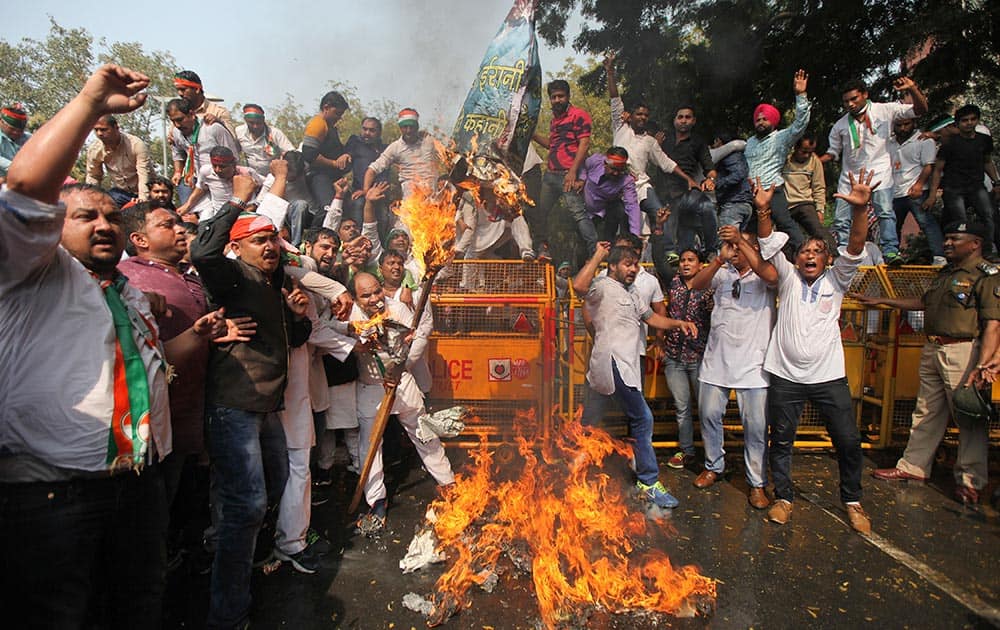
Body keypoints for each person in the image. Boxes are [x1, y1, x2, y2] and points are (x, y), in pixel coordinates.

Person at [0, 64, 227, 629]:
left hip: (140, 479)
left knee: (138, 607)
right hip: (56, 495)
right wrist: (89, 100)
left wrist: (193, 337)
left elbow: (153, 369)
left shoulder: (124, 293)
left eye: (110, 216)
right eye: (84, 216)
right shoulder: (34, 272)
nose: (103, 225)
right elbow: (26, 188)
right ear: (52, 228)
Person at [189, 173, 313, 628]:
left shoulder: (269, 285)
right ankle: (228, 612)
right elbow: (202, 251)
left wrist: (298, 317)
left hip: (265, 409)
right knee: (248, 503)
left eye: (274, 240)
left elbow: (291, 340)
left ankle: (232, 550)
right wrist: (238, 201)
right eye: (259, 240)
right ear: (238, 247)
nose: (270, 247)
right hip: (233, 408)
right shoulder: (234, 278)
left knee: (273, 482)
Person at [756, 169, 879, 535]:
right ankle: (784, 497)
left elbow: (856, 246)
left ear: (827, 261)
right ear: (797, 259)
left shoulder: (837, 280)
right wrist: (763, 210)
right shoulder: (789, 276)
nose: (810, 255)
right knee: (781, 440)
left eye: (817, 251)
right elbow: (765, 241)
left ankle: (853, 501)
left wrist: (860, 209)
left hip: (828, 378)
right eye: (805, 251)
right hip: (786, 378)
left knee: (848, 440)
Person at [866, 223, 1000, 504]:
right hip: (934, 347)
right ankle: (913, 466)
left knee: (968, 415)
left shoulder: (987, 275)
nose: (948, 242)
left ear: (975, 243)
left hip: (964, 351)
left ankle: (970, 480)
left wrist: (983, 364)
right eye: (948, 237)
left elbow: (993, 325)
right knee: (926, 410)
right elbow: (924, 303)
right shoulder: (946, 274)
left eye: (955, 238)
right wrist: (883, 300)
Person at [572, 242, 697, 509]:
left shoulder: (632, 292)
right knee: (643, 418)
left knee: (589, 421)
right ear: (613, 266)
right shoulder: (602, 285)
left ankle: (575, 470)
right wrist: (597, 255)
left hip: (615, 367)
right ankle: (649, 481)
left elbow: (652, 318)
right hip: (613, 364)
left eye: (635, 264)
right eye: (627, 264)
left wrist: (679, 323)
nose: (633, 269)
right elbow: (579, 286)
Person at [687, 225, 784, 508]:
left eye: (743, 246)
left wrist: (742, 241)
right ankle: (713, 466)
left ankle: (757, 483)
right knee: (708, 416)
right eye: (735, 246)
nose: (737, 251)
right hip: (716, 362)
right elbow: (696, 284)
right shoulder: (723, 272)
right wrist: (719, 258)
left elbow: (772, 275)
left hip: (754, 367)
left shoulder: (765, 275)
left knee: (755, 428)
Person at [350, 272, 456, 531]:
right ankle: (376, 500)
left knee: (425, 435)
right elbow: (328, 335)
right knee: (370, 446)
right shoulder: (347, 314)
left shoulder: (397, 308)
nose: (375, 298)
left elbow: (417, 336)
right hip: (371, 388)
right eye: (366, 295)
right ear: (355, 297)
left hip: (404, 384)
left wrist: (401, 366)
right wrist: (354, 345)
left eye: (377, 291)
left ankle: (449, 485)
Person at [822, 76, 928, 262]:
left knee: (885, 212)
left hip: (880, 174)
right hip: (850, 178)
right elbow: (833, 152)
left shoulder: (885, 110)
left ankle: (890, 252)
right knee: (840, 219)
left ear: (865, 95)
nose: (850, 104)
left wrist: (912, 88)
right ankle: (844, 254)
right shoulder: (840, 125)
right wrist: (816, 160)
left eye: (854, 99)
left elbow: (920, 110)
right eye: (846, 101)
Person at [604, 53, 697, 235]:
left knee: (660, 213)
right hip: (619, 186)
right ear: (630, 115)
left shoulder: (650, 141)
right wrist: (609, 72)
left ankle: (668, 252)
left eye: (645, 115)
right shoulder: (620, 127)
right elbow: (615, 99)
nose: (643, 117)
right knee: (623, 227)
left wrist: (689, 179)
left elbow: (667, 163)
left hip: (641, 185)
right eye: (639, 114)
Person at [744, 69, 811, 250]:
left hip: (772, 189)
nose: (760, 122)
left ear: (773, 121)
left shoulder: (781, 138)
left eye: (765, 119)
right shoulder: (749, 142)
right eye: (758, 119)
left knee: (784, 223)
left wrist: (801, 95)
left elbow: (800, 125)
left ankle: (803, 253)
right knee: (748, 230)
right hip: (751, 193)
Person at [663, 248, 714, 469]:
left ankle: (712, 456)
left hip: (700, 357)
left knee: (706, 409)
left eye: (690, 260)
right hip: (674, 357)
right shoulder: (672, 283)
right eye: (682, 260)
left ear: (700, 264)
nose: (685, 264)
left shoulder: (709, 287)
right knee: (682, 408)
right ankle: (687, 452)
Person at [529, 80, 592, 263]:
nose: (557, 100)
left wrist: (573, 172)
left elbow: (584, 143)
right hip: (550, 175)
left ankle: (594, 251)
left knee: (578, 214)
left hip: (567, 174)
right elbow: (553, 145)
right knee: (539, 212)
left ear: (568, 96)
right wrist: (533, 135)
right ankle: (542, 248)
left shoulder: (579, 115)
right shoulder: (555, 120)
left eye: (560, 96)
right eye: (553, 97)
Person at [924, 105, 1000, 251]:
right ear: (958, 123)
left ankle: (989, 250)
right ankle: (963, 253)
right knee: (961, 222)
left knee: (989, 217)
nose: (969, 123)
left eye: (973, 119)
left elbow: (987, 161)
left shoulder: (984, 139)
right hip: (954, 189)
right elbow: (938, 169)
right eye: (965, 120)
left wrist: (997, 182)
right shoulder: (949, 143)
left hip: (977, 187)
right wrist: (932, 195)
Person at [655, 104, 718, 264]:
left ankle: (711, 251)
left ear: (693, 121)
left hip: (686, 192)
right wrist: (655, 145)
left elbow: (709, 168)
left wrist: (710, 180)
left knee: (707, 207)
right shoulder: (662, 139)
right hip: (664, 195)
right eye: (680, 117)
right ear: (674, 120)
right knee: (683, 242)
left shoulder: (698, 142)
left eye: (687, 117)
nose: (683, 120)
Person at [167, 97, 240, 216]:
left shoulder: (213, 128)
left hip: (220, 178)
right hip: (195, 179)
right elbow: (177, 152)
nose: (177, 125)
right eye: (173, 121)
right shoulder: (176, 132)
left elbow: (233, 157)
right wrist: (178, 171)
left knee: (220, 216)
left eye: (180, 119)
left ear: (191, 114)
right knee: (188, 217)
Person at [888, 117, 944, 264]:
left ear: (913, 123)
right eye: (898, 125)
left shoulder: (924, 140)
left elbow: (928, 166)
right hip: (894, 192)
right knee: (892, 225)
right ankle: (892, 256)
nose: (903, 128)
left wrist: (919, 185)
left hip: (915, 191)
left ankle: (939, 256)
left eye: (906, 124)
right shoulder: (890, 143)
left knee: (926, 223)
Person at [574, 146, 641, 255]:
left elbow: (632, 206)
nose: (615, 174)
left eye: (619, 171)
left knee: (619, 210)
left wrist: (635, 234)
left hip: (606, 211)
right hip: (586, 210)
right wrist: (582, 179)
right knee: (583, 244)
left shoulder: (627, 181)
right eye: (613, 169)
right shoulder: (595, 161)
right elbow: (583, 165)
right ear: (605, 164)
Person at [363, 108, 441, 200]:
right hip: (412, 201)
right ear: (400, 128)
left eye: (412, 127)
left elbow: (449, 153)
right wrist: (366, 192)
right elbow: (372, 169)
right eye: (405, 127)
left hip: (433, 197)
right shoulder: (395, 147)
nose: (408, 130)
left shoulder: (429, 141)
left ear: (417, 127)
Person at [782, 135, 837, 253]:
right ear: (795, 148)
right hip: (785, 205)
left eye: (810, 152)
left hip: (804, 203)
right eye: (804, 151)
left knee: (818, 230)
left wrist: (820, 209)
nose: (807, 155)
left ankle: (833, 256)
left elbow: (819, 187)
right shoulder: (785, 159)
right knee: (785, 237)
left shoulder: (814, 161)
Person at [178, 145, 264, 220]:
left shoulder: (247, 173)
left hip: (245, 216)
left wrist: (255, 204)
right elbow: (200, 189)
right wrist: (187, 206)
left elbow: (265, 186)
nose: (217, 170)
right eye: (214, 166)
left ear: (233, 164)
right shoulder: (206, 172)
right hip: (220, 217)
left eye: (222, 167)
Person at [85, 114, 152, 206]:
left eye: (104, 129)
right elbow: (94, 176)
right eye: (96, 130)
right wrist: (91, 200)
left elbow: (144, 174)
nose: (99, 133)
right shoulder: (95, 149)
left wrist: (143, 200)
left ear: (116, 128)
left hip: (147, 192)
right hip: (121, 194)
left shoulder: (135, 144)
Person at [302, 90, 351, 215]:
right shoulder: (317, 124)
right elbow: (309, 154)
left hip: (332, 178)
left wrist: (345, 156)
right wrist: (334, 163)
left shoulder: (331, 127)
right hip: (318, 177)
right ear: (326, 108)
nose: (339, 117)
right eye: (337, 113)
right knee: (329, 210)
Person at [344, 117, 389, 230]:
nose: (367, 133)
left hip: (381, 194)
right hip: (360, 192)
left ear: (379, 132)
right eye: (364, 129)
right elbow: (346, 155)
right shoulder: (355, 143)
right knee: (358, 207)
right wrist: (346, 155)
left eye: (372, 130)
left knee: (383, 217)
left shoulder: (386, 149)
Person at [235, 103, 295, 178]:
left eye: (258, 123)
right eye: (252, 123)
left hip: (273, 177)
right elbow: (234, 153)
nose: (255, 126)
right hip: (251, 177)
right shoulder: (239, 132)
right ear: (246, 120)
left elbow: (292, 154)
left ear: (263, 120)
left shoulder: (275, 133)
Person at [173, 70, 237, 138]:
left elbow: (232, 140)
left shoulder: (219, 112)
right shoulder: (180, 114)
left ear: (197, 89)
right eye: (178, 90)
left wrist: (220, 123)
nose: (180, 94)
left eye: (183, 89)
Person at [0, 103, 30, 179]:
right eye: (12, 129)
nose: (16, 133)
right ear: (1, 122)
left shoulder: (29, 138)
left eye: (20, 130)